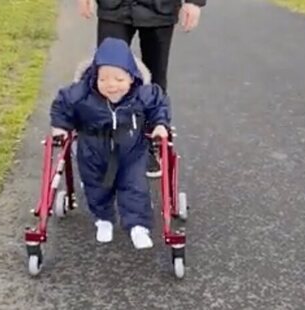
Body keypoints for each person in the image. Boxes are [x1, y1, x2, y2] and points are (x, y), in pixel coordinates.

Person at [50, 38, 171, 250]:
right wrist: (60, 126)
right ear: (94, 76)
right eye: (103, 79)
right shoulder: (81, 94)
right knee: (96, 187)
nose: (111, 85)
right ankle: (103, 219)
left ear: (132, 77)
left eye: (119, 79)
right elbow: (62, 105)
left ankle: (138, 226)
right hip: (92, 150)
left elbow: (159, 104)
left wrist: (160, 124)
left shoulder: (143, 94)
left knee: (134, 186)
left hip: (131, 150)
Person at [78, 0, 205, 177]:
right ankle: (107, 144)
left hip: (160, 7)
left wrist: (194, 2)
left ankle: (149, 140)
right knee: (108, 73)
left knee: (155, 77)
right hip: (114, 7)